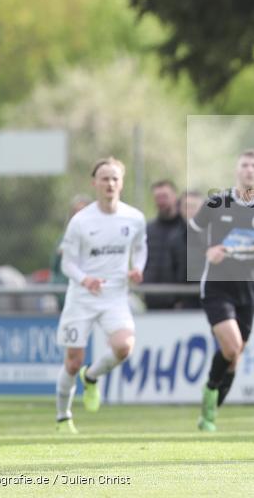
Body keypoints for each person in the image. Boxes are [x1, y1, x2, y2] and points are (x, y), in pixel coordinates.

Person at [189, 149, 254, 431]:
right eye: (244, 165)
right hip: (217, 288)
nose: (249, 170)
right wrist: (209, 250)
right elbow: (192, 233)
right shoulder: (217, 203)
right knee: (231, 347)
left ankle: (210, 413)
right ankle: (209, 390)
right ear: (236, 170)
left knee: (235, 356)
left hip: (247, 290)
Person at [55, 157, 147, 434]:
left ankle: (92, 377)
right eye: (104, 178)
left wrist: (137, 269)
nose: (110, 183)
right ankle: (63, 417)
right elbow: (66, 263)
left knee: (124, 347)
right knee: (73, 361)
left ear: (122, 183)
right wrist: (85, 279)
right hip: (82, 298)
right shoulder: (81, 221)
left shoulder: (134, 218)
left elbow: (141, 249)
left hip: (115, 296)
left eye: (115, 178)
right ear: (95, 183)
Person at [143, 180, 186, 309]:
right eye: (157, 197)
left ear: (175, 197)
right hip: (152, 300)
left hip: (181, 303)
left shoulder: (186, 229)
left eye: (165, 196)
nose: (161, 201)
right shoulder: (148, 230)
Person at [50, 193, 92, 309]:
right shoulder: (64, 239)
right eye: (76, 212)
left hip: (88, 295)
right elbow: (55, 267)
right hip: (65, 295)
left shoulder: (97, 238)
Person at [177, 189, 206, 309]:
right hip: (185, 305)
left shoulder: (216, 237)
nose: (190, 211)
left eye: (194, 206)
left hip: (213, 302)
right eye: (186, 207)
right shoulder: (175, 239)